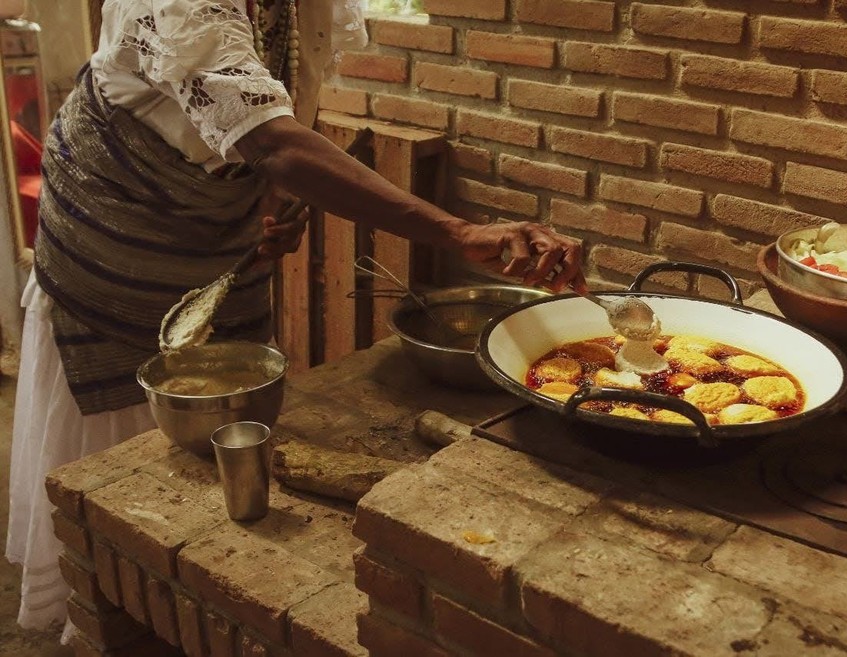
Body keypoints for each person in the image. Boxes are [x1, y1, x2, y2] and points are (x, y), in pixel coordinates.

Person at [5, 0, 587, 638]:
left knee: (225, 398)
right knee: (130, 433)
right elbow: (271, 140)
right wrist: (459, 231)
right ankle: (119, 593)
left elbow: (268, 111)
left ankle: (208, 588)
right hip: (118, 217)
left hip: (219, 218)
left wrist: (268, 197)